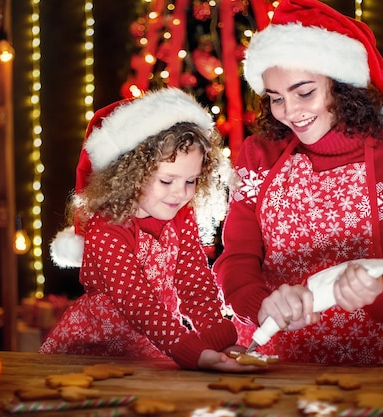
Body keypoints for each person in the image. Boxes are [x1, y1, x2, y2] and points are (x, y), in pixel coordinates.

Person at [213, 0, 383, 364]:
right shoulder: (258, 153)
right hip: (263, 365)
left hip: (363, 376)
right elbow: (237, 260)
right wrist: (261, 306)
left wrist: (378, 292)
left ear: (343, 86)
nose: (290, 112)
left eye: (304, 92)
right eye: (275, 98)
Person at [40, 88, 254, 372]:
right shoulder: (107, 228)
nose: (180, 193)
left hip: (157, 345)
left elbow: (194, 282)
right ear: (130, 175)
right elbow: (137, 301)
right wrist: (193, 351)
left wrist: (220, 341)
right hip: (96, 353)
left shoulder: (179, 216)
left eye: (191, 181)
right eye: (167, 181)